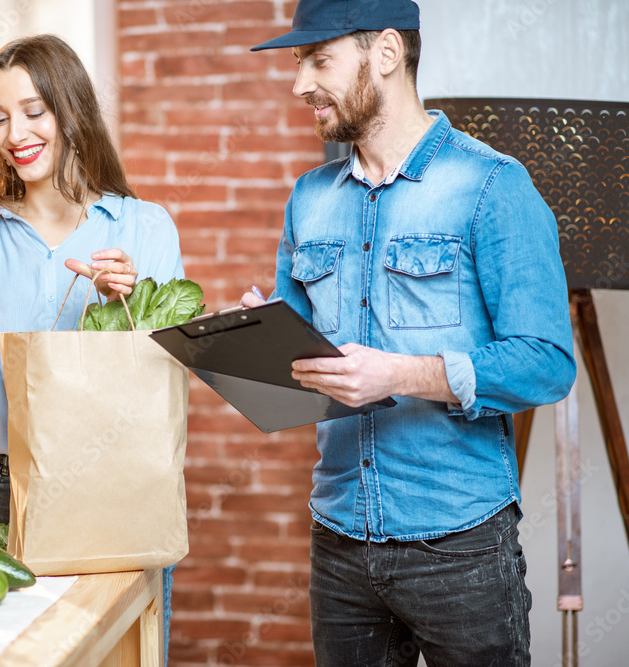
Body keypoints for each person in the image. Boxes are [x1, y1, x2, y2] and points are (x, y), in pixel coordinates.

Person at [243, 1, 576, 665]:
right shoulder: (308, 197)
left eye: (319, 59)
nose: (299, 83)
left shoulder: (492, 186)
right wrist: (256, 333)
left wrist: (398, 373)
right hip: (338, 544)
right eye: (298, 62)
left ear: (387, 54)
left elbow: (547, 361)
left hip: (461, 548)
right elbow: (302, 362)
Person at [0, 34, 183, 662]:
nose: (13, 133)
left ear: (70, 109)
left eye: (33, 112)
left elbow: (160, 389)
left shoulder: (145, 228)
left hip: (120, 486)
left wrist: (127, 309)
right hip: (6, 491)